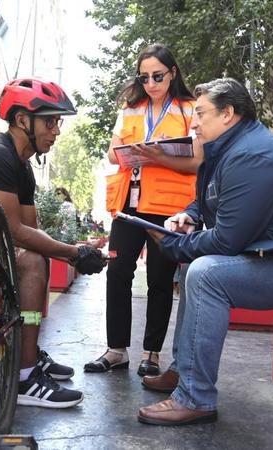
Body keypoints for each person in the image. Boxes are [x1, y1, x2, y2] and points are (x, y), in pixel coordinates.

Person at [137, 78, 273, 426]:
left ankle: (195, 397)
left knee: (204, 272)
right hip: (269, 255)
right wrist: (189, 215)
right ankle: (184, 372)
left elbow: (228, 241)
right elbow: (207, 199)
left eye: (200, 114)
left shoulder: (254, 155)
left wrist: (174, 245)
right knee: (192, 270)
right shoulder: (230, 147)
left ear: (228, 113)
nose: (193, 123)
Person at [0, 77, 106, 409]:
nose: (57, 130)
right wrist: (74, 253)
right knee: (33, 261)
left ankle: (29, 353)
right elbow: (14, 231)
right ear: (23, 120)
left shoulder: (22, 166)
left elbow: (30, 231)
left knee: (38, 256)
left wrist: (72, 254)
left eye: (58, 122)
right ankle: (24, 378)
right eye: (50, 121)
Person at [85, 44, 202, 377]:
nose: (151, 83)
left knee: (160, 280)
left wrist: (156, 156)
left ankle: (151, 354)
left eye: (158, 76)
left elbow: (197, 161)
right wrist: (133, 153)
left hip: (168, 207)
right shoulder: (130, 109)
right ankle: (116, 350)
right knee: (117, 272)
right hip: (129, 202)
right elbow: (111, 155)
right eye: (145, 77)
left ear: (173, 73)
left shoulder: (190, 110)